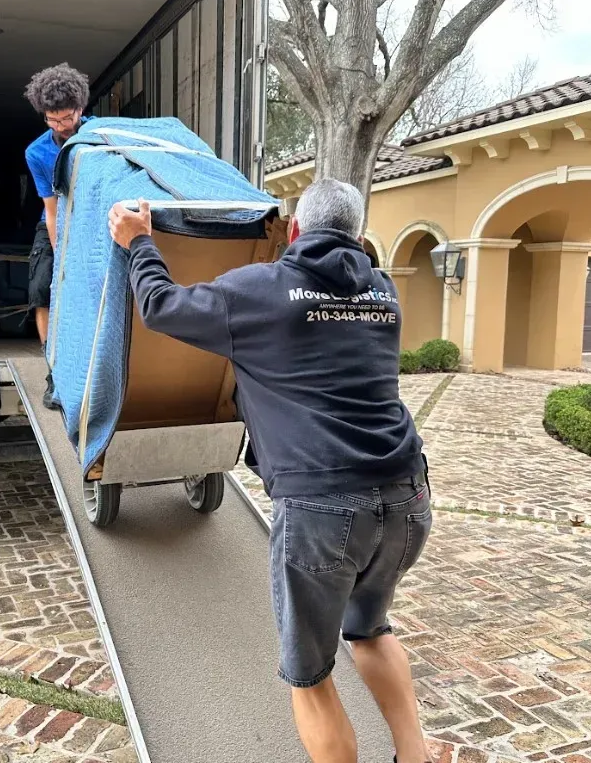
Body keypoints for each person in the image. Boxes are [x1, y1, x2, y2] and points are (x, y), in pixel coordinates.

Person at [107, 180, 432, 763]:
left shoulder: (259, 290)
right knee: (370, 627)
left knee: (309, 677)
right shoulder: (384, 293)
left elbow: (161, 307)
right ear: (358, 239)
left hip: (322, 507)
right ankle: (418, 757)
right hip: (407, 497)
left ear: (296, 232)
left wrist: (139, 242)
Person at [23, 62, 94, 409]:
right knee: (42, 290)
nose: (63, 127)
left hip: (95, 220)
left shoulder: (100, 135)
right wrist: (61, 254)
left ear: (80, 109)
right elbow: (52, 211)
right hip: (56, 223)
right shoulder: (37, 152)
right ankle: (55, 374)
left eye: (68, 118)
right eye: (54, 120)